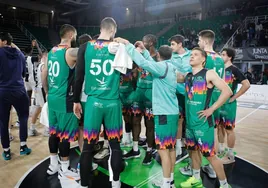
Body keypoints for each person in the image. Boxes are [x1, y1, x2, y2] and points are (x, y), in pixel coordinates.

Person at [115, 37, 179, 188]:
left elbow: (144, 64)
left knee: (163, 150)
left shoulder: (161, 67)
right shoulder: (169, 66)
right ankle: (170, 181)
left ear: (158, 55)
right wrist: (144, 51)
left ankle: (165, 184)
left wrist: (128, 45)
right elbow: (149, 62)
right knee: (170, 148)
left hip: (163, 113)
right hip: (172, 112)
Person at [73, 17, 123, 188]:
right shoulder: (118, 48)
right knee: (115, 146)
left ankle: (84, 184)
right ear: (113, 30)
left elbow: (78, 77)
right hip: (113, 102)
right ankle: (116, 183)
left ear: (101, 28)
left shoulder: (85, 47)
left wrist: (75, 101)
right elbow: (128, 73)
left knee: (87, 147)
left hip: (93, 102)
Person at [179, 47, 232, 188]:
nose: (191, 57)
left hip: (203, 124)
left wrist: (212, 109)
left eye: (195, 55)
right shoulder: (188, 75)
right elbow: (174, 76)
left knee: (210, 156)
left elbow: (227, 91)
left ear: (203, 59)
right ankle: (196, 179)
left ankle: (224, 184)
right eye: (190, 55)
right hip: (190, 123)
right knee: (193, 152)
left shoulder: (209, 73)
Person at [42, 24, 80, 180]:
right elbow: (86, 51)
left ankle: (53, 165)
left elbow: (44, 74)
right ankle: (65, 168)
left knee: (54, 133)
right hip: (65, 100)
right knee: (64, 136)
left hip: (52, 98)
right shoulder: (69, 52)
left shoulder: (51, 51)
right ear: (71, 35)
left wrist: (47, 92)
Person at [123, 34, 158, 166]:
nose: (142, 43)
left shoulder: (158, 56)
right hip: (139, 91)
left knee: (149, 124)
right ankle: (135, 149)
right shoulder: (139, 56)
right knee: (135, 120)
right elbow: (131, 68)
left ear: (151, 43)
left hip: (150, 93)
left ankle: (149, 150)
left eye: (145, 41)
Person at [0, 32, 31, 160]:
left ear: (4, 41)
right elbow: (24, 74)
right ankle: (23, 146)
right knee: (23, 118)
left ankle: (6, 151)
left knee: (3, 122)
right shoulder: (20, 54)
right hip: (19, 90)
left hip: (2, 91)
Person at [218, 48, 250, 163]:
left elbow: (246, 84)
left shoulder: (234, 70)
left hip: (228, 105)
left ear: (229, 57)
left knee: (229, 129)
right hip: (218, 103)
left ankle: (230, 153)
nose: (221, 56)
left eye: (223, 54)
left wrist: (234, 97)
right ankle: (221, 148)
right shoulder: (219, 70)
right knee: (219, 127)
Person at [169, 34, 191, 159]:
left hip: (190, 94)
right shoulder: (171, 57)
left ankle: (189, 146)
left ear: (180, 44)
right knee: (179, 120)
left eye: (173, 44)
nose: (171, 47)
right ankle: (178, 146)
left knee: (190, 121)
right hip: (176, 93)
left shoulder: (192, 54)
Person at [24, 40, 42, 136]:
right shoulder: (31, 58)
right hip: (32, 80)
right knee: (37, 99)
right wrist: (37, 46)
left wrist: (32, 46)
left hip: (24, 80)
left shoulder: (22, 57)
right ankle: (33, 113)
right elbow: (41, 56)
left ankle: (26, 114)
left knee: (28, 97)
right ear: (31, 51)